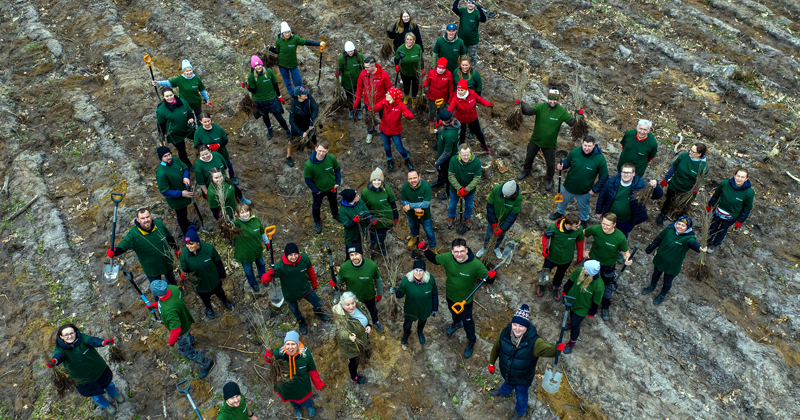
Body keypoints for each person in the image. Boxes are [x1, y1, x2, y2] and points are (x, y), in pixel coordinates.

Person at [420, 238, 495, 358]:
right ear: (452, 251)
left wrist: (491, 276)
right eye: (456, 252)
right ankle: (456, 323)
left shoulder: (476, 264)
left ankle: (471, 341)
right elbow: (434, 259)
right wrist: (425, 249)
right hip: (450, 294)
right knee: (453, 311)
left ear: (466, 250)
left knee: (468, 322)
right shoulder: (448, 257)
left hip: (466, 301)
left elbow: (489, 280)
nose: (459, 254)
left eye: (461, 251)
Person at [487, 304, 563, 420]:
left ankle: (520, 411)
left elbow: (549, 351)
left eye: (521, 326)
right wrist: (491, 363)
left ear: (527, 327)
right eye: (515, 324)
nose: (517, 328)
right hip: (508, 373)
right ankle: (503, 392)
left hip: (523, 379)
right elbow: (496, 348)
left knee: (521, 396)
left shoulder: (535, 342)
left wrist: (556, 349)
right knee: (507, 383)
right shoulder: (505, 333)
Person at [46, 324, 122, 415]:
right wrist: (54, 361)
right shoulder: (60, 348)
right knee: (95, 395)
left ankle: (114, 394)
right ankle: (106, 405)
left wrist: (103, 342)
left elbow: (92, 341)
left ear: (75, 332)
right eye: (66, 335)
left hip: (98, 369)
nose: (70, 336)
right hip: (83, 378)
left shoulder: (82, 338)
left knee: (109, 384)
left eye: (71, 333)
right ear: (61, 337)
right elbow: (59, 355)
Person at [108, 208, 179, 302]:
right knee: (157, 290)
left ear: (151, 217)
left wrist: (176, 249)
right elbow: (123, 246)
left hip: (166, 262)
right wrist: (115, 252)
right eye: (142, 218)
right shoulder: (133, 234)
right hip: (151, 268)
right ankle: (160, 306)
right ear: (138, 220)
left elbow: (169, 237)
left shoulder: (159, 224)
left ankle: (176, 295)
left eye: (147, 217)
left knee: (171, 280)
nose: (146, 220)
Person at [516, 90, 580, 190]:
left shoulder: (562, 112)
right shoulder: (541, 107)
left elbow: (571, 123)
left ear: (558, 100)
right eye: (550, 99)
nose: (552, 102)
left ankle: (549, 179)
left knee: (551, 164)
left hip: (550, 144)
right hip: (536, 140)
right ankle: (526, 171)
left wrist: (577, 116)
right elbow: (528, 111)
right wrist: (521, 106)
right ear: (548, 98)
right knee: (529, 157)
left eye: (555, 100)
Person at [150, 279, 215, 378]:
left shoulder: (169, 311)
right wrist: (154, 305)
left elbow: (176, 330)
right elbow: (165, 302)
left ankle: (207, 364)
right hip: (185, 320)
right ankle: (192, 340)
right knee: (187, 334)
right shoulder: (173, 288)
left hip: (181, 331)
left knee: (186, 351)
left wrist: (171, 342)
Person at [262, 243, 330, 334]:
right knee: (295, 310)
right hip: (290, 294)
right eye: (290, 255)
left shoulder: (304, 259)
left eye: (295, 254)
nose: (294, 257)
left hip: (305, 289)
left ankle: (318, 312)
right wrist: (270, 273)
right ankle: (301, 322)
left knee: (318, 303)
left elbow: (310, 270)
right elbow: (263, 279)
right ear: (286, 255)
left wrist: (314, 282)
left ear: (298, 253)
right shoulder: (280, 267)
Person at [642, 215, 707, 305]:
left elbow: (693, 243)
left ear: (687, 228)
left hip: (673, 264)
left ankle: (662, 294)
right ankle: (652, 286)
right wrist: (649, 249)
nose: (679, 227)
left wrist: (700, 248)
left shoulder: (688, 237)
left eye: (683, 226)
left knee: (667, 281)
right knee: (655, 274)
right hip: (660, 259)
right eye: (678, 224)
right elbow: (658, 239)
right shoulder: (669, 229)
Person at [264, 331, 325, 420]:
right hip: (286, 388)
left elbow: (313, 371)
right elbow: (269, 360)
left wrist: (318, 384)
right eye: (287, 344)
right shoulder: (279, 353)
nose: (290, 347)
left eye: (293, 344)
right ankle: (297, 408)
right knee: (292, 401)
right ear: (284, 345)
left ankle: (309, 406)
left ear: (297, 344)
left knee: (305, 401)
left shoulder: (306, 355)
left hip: (302, 387)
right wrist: (268, 356)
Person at [549, 135, 609, 226]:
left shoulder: (599, 158)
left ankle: (584, 220)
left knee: (584, 207)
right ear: (582, 144)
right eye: (585, 145)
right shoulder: (575, 152)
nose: (587, 148)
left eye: (589, 146)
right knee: (562, 201)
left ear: (594, 146)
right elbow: (567, 162)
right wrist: (562, 165)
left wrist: (594, 190)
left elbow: (604, 176)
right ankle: (559, 212)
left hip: (584, 191)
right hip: (569, 186)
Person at [582, 213, 631, 320]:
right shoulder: (596, 229)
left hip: (608, 266)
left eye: (608, 225)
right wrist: (583, 250)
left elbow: (625, 252)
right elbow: (583, 234)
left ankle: (605, 306)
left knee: (607, 287)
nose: (604, 227)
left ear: (614, 225)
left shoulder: (619, 237)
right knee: (587, 281)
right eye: (603, 223)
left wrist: (627, 258)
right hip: (593, 261)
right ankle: (586, 300)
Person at [595, 162, 664, 238]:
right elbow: (602, 196)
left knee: (621, 237)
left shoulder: (640, 185)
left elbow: (657, 196)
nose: (626, 174)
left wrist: (656, 187)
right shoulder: (611, 182)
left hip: (626, 221)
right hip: (609, 218)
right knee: (605, 234)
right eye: (624, 172)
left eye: (628, 172)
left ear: (633, 174)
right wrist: (598, 211)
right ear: (621, 172)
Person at [179, 225, 233, 319]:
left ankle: (225, 301)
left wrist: (222, 274)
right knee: (204, 298)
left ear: (197, 242)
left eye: (191, 243)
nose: (189, 246)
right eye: (187, 244)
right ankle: (208, 308)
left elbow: (218, 262)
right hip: (199, 283)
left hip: (213, 279)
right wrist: (183, 274)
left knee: (220, 292)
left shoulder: (208, 248)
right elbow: (184, 270)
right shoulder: (184, 254)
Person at [335, 243, 385, 333]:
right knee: (354, 312)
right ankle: (359, 325)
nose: (354, 257)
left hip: (369, 294)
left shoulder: (371, 265)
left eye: (356, 254)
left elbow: (378, 280)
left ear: (361, 254)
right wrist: (335, 281)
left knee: (372, 310)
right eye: (351, 255)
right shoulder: (345, 267)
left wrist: (380, 293)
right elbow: (340, 280)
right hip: (353, 298)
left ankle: (375, 321)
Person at [656, 143, 708, 226]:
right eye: (690, 149)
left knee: (681, 207)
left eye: (693, 151)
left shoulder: (703, 167)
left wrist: (695, 190)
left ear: (699, 154)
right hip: (674, 184)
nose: (689, 152)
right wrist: (665, 179)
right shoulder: (684, 156)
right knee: (668, 200)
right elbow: (673, 167)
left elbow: (700, 182)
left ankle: (678, 221)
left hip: (686, 191)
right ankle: (663, 214)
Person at [390, 259, 438, 346]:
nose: (418, 273)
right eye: (416, 270)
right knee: (407, 325)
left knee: (422, 321)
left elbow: (434, 294)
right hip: (411, 308)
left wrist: (435, 308)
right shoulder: (406, 281)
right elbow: (400, 295)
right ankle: (406, 334)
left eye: (421, 270)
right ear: (413, 271)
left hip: (425, 308)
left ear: (424, 271)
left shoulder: (430, 280)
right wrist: (395, 291)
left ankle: (420, 332)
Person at [268, 22, 324, 97]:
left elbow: (306, 42)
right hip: (282, 65)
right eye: (285, 33)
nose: (287, 34)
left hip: (293, 64)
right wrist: (271, 48)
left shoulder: (295, 39)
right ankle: (292, 95)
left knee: (297, 81)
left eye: (288, 32)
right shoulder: (279, 40)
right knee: (287, 81)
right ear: (282, 33)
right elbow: (277, 51)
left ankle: (301, 93)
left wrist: (318, 44)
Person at [706, 168, 754, 253]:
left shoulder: (749, 192)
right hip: (718, 211)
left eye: (742, 177)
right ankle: (707, 240)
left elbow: (747, 208)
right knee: (713, 226)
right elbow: (716, 194)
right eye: (738, 176)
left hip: (731, 216)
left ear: (746, 179)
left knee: (722, 229)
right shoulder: (725, 183)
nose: (739, 178)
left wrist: (740, 220)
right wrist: (710, 205)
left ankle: (715, 243)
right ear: (734, 176)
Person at [561, 260, 604, 354]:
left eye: (586, 269)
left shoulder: (598, 285)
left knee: (575, 324)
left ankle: (572, 341)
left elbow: (596, 300)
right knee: (571, 314)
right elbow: (571, 280)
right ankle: (570, 323)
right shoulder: (580, 271)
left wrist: (592, 311)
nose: (583, 268)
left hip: (583, 307)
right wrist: (565, 290)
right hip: (573, 299)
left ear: (591, 273)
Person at [539, 213, 584, 298]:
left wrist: (580, 255)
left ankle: (556, 286)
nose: (579, 227)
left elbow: (580, 242)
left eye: (579, 225)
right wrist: (545, 250)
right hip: (552, 257)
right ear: (568, 224)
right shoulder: (553, 228)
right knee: (545, 270)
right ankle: (541, 284)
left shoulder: (579, 230)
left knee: (560, 273)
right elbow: (545, 236)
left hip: (567, 259)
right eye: (576, 226)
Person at [246, 55, 290, 141]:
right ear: (253, 67)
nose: (258, 67)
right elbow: (253, 90)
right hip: (259, 100)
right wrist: (248, 86)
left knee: (279, 117)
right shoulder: (252, 76)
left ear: (262, 65)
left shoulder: (269, 72)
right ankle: (270, 129)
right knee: (265, 117)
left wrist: (279, 96)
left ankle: (287, 130)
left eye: (259, 65)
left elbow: (275, 85)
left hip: (271, 98)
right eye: (255, 66)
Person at [332, 291, 372, 384]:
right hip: (351, 345)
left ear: (355, 301)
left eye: (352, 303)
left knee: (362, 352)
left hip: (363, 338)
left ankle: (363, 354)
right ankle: (354, 377)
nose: (351, 306)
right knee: (354, 361)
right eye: (347, 305)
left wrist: (369, 325)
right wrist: (348, 336)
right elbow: (341, 332)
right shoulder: (341, 316)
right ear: (342, 305)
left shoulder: (360, 305)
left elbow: (368, 314)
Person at [477, 180, 522, 259]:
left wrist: (502, 228)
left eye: (507, 195)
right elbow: (490, 206)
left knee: (501, 236)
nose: (504, 196)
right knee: (488, 234)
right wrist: (493, 221)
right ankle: (485, 247)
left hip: (504, 221)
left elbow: (512, 216)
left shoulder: (518, 198)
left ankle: (496, 247)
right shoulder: (496, 189)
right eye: (503, 194)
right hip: (494, 218)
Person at [373, 86, 415, 171]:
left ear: (393, 96)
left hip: (395, 131)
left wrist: (409, 116)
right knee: (387, 147)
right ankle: (390, 160)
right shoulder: (385, 102)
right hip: (384, 130)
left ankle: (407, 160)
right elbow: (377, 106)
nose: (386, 94)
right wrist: (371, 109)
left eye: (388, 93)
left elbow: (407, 112)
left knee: (399, 147)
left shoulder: (400, 105)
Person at [303, 141, 341, 234]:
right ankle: (317, 221)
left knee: (333, 201)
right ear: (316, 148)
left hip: (332, 188)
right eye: (319, 150)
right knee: (316, 206)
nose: (321, 153)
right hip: (318, 191)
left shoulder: (331, 158)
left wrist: (337, 182)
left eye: (324, 151)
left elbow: (337, 169)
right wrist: (316, 190)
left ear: (327, 151)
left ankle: (335, 214)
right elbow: (308, 179)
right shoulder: (309, 165)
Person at [447, 78, 493, 153]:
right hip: (460, 120)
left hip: (472, 117)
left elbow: (480, 100)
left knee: (479, 133)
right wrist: (445, 117)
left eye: (462, 90)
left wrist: (488, 104)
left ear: (466, 89)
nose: (460, 92)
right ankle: (461, 150)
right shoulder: (455, 98)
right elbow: (450, 108)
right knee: (461, 136)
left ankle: (484, 145)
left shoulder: (472, 94)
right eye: (458, 90)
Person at [360, 168, 399, 256]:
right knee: (373, 235)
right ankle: (372, 247)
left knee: (383, 233)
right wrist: (367, 219)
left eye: (379, 180)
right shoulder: (365, 192)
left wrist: (395, 215)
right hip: (373, 219)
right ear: (371, 180)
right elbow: (363, 206)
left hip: (386, 218)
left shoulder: (386, 188)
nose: (377, 182)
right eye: (374, 180)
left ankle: (381, 245)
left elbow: (392, 202)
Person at [353, 56, 393, 144]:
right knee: (369, 118)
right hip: (368, 103)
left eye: (367, 67)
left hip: (381, 103)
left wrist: (389, 101)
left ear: (373, 66)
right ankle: (370, 132)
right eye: (364, 67)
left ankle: (385, 133)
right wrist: (357, 100)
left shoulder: (383, 75)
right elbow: (359, 87)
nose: (365, 69)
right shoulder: (363, 74)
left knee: (384, 118)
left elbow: (389, 90)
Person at [155, 146, 193, 236]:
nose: (168, 157)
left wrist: (186, 176)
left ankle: (188, 225)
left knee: (185, 212)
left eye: (169, 154)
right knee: (181, 215)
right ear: (161, 158)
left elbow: (185, 168)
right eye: (165, 156)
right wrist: (181, 193)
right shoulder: (161, 173)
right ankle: (186, 233)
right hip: (176, 199)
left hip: (184, 193)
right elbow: (164, 191)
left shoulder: (175, 160)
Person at [232, 202, 269, 292]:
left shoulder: (255, 220)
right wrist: (224, 220)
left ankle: (263, 278)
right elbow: (229, 226)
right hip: (244, 253)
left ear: (250, 211)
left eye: (246, 211)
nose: (245, 214)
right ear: (238, 214)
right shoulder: (236, 223)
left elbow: (262, 232)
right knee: (248, 270)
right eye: (242, 212)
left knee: (261, 264)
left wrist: (267, 242)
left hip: (256, 249)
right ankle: (253, 283)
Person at [156, 87, 195, 168]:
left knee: (199, 137)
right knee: (182, 150)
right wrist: (162, 137)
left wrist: (191, 118)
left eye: (171, 95)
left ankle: (205, 153)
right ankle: (187, 165)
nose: (169, 98)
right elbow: (160, 125)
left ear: (173, 94)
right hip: (174, 134)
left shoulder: (183, 102)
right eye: (167, 96)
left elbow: (190, 113)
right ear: (163, 97)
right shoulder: (161, 110)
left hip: (186, 129)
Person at [194, 112, 237, 184]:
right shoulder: (198, 132)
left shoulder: (217, 128)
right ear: (200, 122)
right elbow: (196, 145)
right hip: (207, 154)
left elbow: (225, 140)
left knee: (227, 164)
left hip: (221, 152)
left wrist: (218, 145)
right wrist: (207, 147)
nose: (207, 123)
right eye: (205, 122)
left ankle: (232, 176)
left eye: (208, 121)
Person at [447, 143, 481, 229]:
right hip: (455, 190)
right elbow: (451, 175)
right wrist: (459, 188)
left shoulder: (476, 162)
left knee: (469, 205)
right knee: (452, 204)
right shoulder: (453, 160)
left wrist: (466, 189)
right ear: (459, 154)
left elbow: (477, 178)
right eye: (464, 155)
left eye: (468, 155)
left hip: (469, 191)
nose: (466, 157)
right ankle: (452, 217)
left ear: (470, 153)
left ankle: (467, 218)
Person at [401, 169, 435, 249]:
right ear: (407, 179)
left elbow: (426, 204)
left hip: (424, 215)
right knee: (412, 227)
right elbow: (403, 201)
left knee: (429, 231)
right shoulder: (405, 186)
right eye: (410, 178)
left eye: (414, 178)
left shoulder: (426, 186)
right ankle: (414, 238)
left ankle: (433, 247)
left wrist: (410, 206)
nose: (413, 180)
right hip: (411, 214)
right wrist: (414, 208)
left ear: (419, 177)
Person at [432, 110, 461, 199]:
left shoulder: (449, 135)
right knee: (440, 172)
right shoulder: (452, 125)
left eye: (441, 120)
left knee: (447, 178)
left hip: (447, 162)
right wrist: (439, 131)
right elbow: (446, 132)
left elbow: (447, 153)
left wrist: (438, 162)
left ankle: (447, 193)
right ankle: (440, 182)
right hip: (444, 158)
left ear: (444, 121)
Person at [288, 86, 319, 167]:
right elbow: (291, 121)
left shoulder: (308, 97)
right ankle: (288, 156)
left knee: (314, 140)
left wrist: (312, 121)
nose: (306, 94)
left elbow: (315, 108)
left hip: (309, 124)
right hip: (298, 127)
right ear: (298, 96)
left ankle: (315, 155)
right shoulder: (294, 105)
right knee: (292, 141)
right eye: (303, 93)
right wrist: (300, 132)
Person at [423, 58, 455, 133]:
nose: (441, 70)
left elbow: (451, 87)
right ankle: (431, 124)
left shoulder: (448, 74)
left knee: (441, 111)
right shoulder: (432, 72)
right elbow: (427, 81)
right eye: (439, 68)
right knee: (432, 111)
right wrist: (423, 85)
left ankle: (440, 124)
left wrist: (450, 98)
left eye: (442, 69)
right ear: (437, 66)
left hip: (442, 97)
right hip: (432, 96)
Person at [452, 0, 487, 65]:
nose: (470, 5)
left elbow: (483, 20)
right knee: (461, 58)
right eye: (469, 3)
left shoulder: (476, 13)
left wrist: (481, 11)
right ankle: (461, 72)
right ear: (466, 3)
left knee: (472, 59)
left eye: (472, 3)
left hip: (472, 43)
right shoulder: (463, 11)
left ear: (475, 4)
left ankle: (472, 73)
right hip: (462, 42)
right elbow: (454, 9)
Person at [336, 42, 364, 119]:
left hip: (358, 81)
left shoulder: (359, 56)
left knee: (358, 96)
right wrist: (338, 72)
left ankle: (359, 109)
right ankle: (351, 109)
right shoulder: (342, 58)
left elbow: (363, 68)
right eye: (349, 51)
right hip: (347, 82)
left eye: (352, 51)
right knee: (349, 96)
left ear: (354, 50)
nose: (350, 53)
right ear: (345, 51)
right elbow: (340, 68)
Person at [394, 33, 423, 105]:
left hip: (415, 72)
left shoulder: (418, 48)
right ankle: (406, 97)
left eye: (411, 39)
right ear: (405, 40)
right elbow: (396, 59)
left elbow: (421, 59)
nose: (409, 41)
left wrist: (422, 69)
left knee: (415, 86)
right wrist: (396, 66)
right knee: (406, 85)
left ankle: (414, 98)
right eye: (407, 39)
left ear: (414, 40)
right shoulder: (400, 49)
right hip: (405, 72)